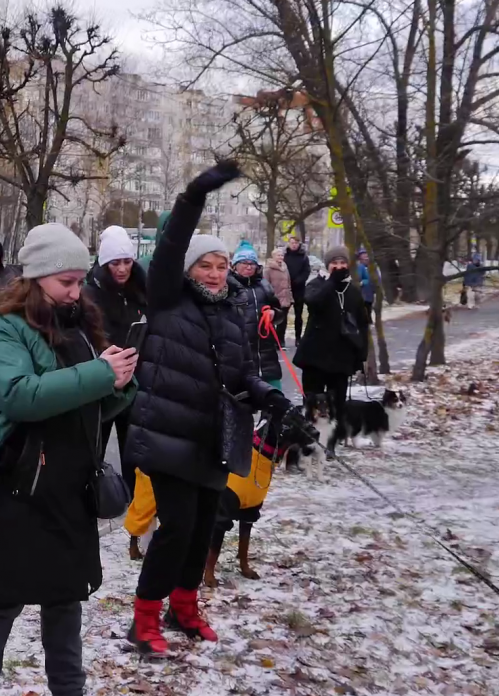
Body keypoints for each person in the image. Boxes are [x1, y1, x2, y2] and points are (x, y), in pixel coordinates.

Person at [0, 223, 138, 696]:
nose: (76, 292)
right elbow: (20, 397)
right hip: (10, 491)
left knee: (65, 605)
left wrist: (118, 384)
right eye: (65, 282)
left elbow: (84, 405)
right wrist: (97, 374)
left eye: (78, 280)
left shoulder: (77, 323)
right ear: (35, 277)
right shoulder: (1, 328)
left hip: (65, 491)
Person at [123, 162, 297, 656]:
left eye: (222, 265)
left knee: (202, 529)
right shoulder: (165, 298)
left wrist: (271, 395)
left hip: (213, 436)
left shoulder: (233, 310)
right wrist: (194, 195)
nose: (217, 274)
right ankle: (143, 619)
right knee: (176, 528)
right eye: (207, 265)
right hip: (166, 434)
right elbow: (173, 243)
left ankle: (184, 607)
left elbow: (240, 372)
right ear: (188, 269)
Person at [83, 225, 146, 490]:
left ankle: (134, 507)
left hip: (133, 379)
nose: (122, 269)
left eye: (127, 262)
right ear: (104, 263)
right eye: (115, 263)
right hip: (102, 380)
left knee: (133, 452)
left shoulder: (139, 289)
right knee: (93, 450)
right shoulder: (90, 293)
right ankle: (94, 495)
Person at [293, 245, 369, 448]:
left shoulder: (352, 291)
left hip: (341, 358)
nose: (339, 267)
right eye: (334, 263)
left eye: (342, 263)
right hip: (315, 356)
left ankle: (330, 444)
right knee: (310, 402)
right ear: (328, 265)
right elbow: (313, 302)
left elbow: (362, 324)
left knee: (337, 404)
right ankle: (308, 442)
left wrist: (362, 354)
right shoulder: (317, 284)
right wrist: (331, 283)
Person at [230, 242, 285, 390]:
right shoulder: (227, 287)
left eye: (252, 264)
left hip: (266, 354)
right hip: (240, 356)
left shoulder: (264, 286)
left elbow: (279, 311)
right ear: (234, 265)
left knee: (275, 401)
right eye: (244, 263)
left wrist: (274, 313)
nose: (249, 267)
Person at [283, 235, 312, 343]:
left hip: (299, 289)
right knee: (283, 313)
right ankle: (280, 339)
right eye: (292, 243)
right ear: (289, 244)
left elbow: (306, 271)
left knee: (298, 314)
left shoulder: (304, 257)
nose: (294, 245)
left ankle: (298, 338)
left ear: (299, 244)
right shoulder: (285, 256)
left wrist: (299, 280)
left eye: (295, 243)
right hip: (286, 288)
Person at [264, 247, 293, 341]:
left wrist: (290, 297)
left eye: (282, 255)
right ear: (273, 256)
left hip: (285, 298)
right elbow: (265, 284)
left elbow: (288, 283)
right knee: (272, 320)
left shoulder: (285, 268)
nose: (280, 257)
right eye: (278, 255)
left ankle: (280, 341)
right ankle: (271, 340)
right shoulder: (268, 269)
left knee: (283, 321)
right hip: (274, 298)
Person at [356, 247, 375, 317]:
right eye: (363, 255)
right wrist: (362, 283)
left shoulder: (372, 267)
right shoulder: (360, 267)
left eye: (366, 255)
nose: (365, 257)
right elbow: (359, 278)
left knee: (368, 307)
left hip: (370, 292)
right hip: (362, 292)